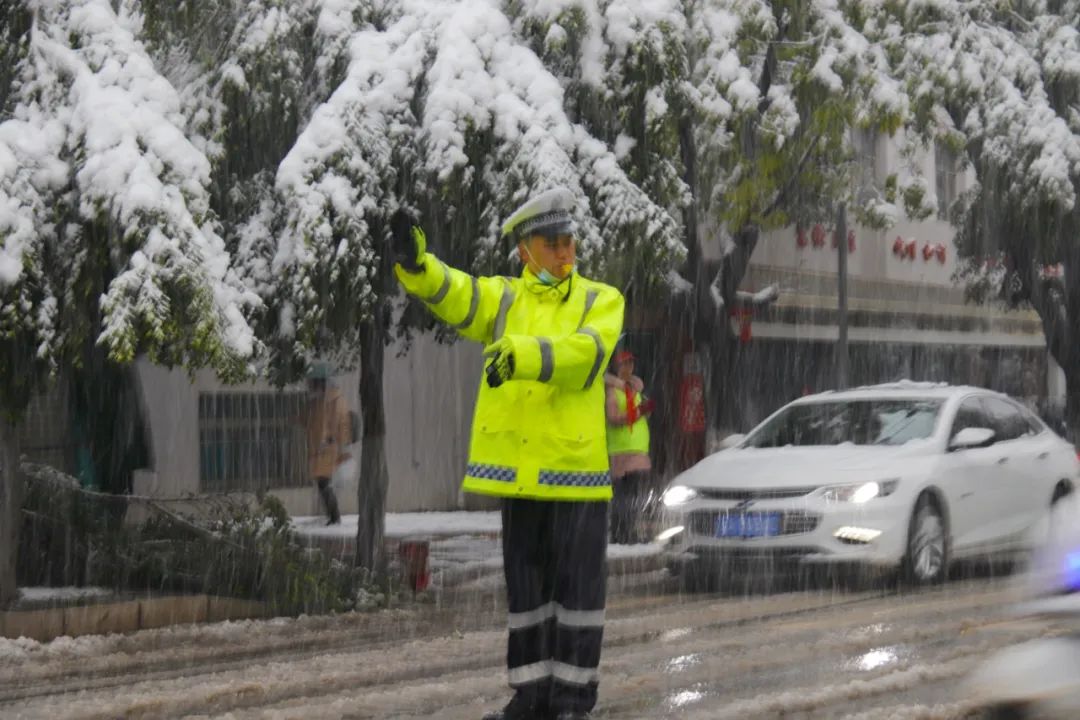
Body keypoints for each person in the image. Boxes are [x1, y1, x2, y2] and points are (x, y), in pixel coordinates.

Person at [391, 187, 625, 720]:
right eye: (552, 244)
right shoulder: (504, 299)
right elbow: (458, 293)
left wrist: (522, 355)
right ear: (525, 250)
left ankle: (572, 702)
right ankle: (531, 696)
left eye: (568, 243)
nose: (564, 253)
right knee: (527, 598)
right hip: (521, 482)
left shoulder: (601, 299)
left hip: (576, 480)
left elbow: (585, 356)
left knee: (578, 600)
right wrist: (419, 266)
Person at [604, 350, 654, 544]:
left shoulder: (634, 389)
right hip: (622, 451)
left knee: (634, 496)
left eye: (631, 363)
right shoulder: (613, 390)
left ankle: (629, 531)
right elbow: (614, 417)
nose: (628, 368)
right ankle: (622, 533)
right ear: (616, 367)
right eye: (624, 364)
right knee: (624, 498)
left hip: (638, 450)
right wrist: (639, 412)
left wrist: (644, 411)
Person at [303, 364, 350, 525]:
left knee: (324, 483)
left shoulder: (332, 400)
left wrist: (336, 444)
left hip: (327, 449)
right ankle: (332, 515)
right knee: (323, 483)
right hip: (321, 450)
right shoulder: (320, 400)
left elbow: (338, 424)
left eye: (312, 382)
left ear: (319, 382)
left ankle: (334, 517)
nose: (309, 385)